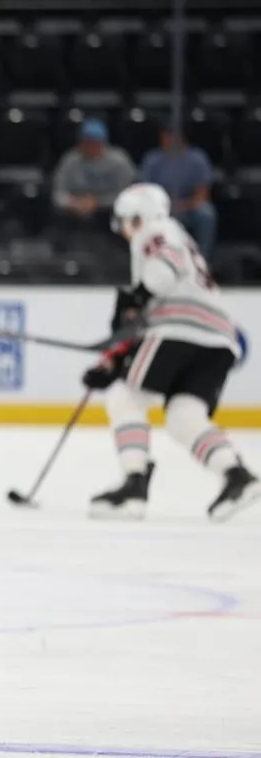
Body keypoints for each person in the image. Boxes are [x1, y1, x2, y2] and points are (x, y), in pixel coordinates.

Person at [81, 183, 257, 521]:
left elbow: (164, 269)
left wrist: (139, 295)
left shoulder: (156, 231)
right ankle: (236, 475)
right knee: (183, 416)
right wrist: (115, 360)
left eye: (123, 222)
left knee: (125, 395)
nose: (123, 231)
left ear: (137, 216)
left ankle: (134, 483)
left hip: (180, 329)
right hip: (219, 339)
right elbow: (149, 312)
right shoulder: (182, 240)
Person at [140, 127, 217, 259]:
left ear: (182, 138)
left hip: (189, 207)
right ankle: (153, 259)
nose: (168, 140)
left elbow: (202, 194)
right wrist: (164, 207)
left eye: (172, 136)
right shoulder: (152, 159)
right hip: (161, 208)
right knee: (143, 213)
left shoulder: (197, 158)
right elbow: (146, 191)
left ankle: (202, 259)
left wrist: (182, 206)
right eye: (165, 137)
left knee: (206, 214)